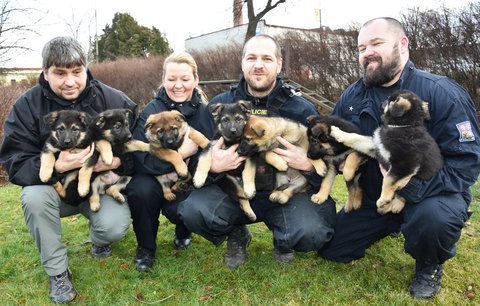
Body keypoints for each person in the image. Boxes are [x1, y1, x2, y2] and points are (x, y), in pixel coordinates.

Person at [319, 17, 480, 299]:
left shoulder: (441, 92)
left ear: (403, 44)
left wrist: (410, 186)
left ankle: (429, 262)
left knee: (433, 220)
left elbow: (466, 164)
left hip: (432, 194)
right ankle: (392, 224)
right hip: (375, 195)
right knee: (332, 248)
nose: (367, 52)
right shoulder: (352, 95)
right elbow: (333, 140)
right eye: (361, 47)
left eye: (376, 43)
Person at [177, 34, 337, 269]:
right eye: (251, 58)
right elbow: (196, 154)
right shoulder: (220, 104)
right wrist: (213, 167)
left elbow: (330, 162)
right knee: (194, 211)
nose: (258, 65)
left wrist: (308, 164)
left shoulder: (301, 108)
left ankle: (285, 238)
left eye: (267, 58)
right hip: (235, 192)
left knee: (312, 231)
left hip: (285, 192)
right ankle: (237, 233)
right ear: (242, 62)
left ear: (279, 64)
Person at [0, 36, 135, 304]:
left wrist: (117, 162)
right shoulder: (28, 106)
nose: (70, 81)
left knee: (114, 227)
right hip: (55, 191)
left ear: (86, 68)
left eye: (76, 72)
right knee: (33, 197)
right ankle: (58, 272)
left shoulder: (114, 99)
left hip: (97, 187)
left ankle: (100, 239)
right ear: (45, 73)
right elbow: (14, 160)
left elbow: (137, 146)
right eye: (60, 73)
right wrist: (56, 165)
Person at [125, 52, 215, 272]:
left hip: (190, 178)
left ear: (196, 79)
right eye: (171, 79)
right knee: (140, 191)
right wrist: (181, 155)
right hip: (152, 176)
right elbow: (140, 158)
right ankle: (146, 248)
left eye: (185, 79)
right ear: (163, 79)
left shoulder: (205, 112)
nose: (178, 85)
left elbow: (210, 150)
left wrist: (189, 169)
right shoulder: (151, 112)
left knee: (184, 208)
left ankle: (183, 230)